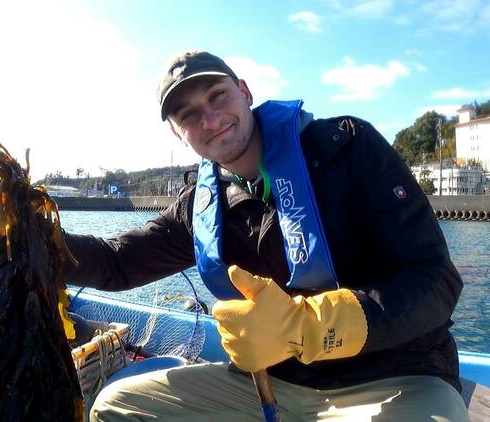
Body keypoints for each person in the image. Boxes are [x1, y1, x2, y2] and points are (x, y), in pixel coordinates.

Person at [58, 51, 470, 421]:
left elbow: (436, 279)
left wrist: (310, 326)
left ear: (245, 92)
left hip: (397, 375)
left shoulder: (347, 148)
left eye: (217, 96)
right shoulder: (199, 204)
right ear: (177, 133)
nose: (209, 119)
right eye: (187, 114)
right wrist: (31, 242)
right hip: (273, 387)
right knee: (118, 406)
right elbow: (116, 262)